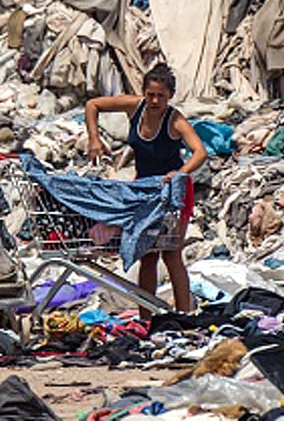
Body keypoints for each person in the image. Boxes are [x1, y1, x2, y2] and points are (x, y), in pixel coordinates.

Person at [84, 63, 207, 314]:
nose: (154, 100)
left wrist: (179, 174)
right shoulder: (135, 107)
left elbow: (200, 152)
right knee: (147, 255)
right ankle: (146, 319)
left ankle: (184, 318)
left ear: (170, 95)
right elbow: (92, 105)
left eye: (161, 95)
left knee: (171, 256)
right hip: (143, 191)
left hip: (173, 194)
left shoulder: (175, 120)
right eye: (150, 94)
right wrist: (94, 138)